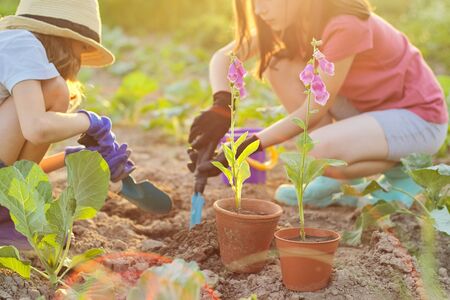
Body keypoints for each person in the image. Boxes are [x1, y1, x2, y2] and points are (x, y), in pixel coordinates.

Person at [188, 0, 448, 207]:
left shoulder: (346, 23)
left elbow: (313, 110)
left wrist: (247, 145)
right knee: (278, 63)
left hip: (418, 119)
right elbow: (224, 56)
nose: (258, 9)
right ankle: (342, 181)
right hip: (370, 112)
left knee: (316, 149)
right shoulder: (294, 21)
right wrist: (222, 106)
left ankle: (405, 170)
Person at [0, 0, 134, 249]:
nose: (80, 57)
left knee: (51, 91)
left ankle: (8, 219)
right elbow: (37, 128)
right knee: (56, 91)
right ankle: (7, 221)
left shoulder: (12, 46)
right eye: (83, 47)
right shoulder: (21, 43)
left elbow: (18, 166)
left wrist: (74, 157)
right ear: (63, 37)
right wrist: (91, 121)